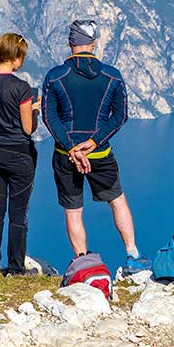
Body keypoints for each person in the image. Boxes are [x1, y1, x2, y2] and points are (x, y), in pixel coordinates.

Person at [41, 19, 148, 273]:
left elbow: (49, 117)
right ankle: (133, 255)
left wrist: (72, 148)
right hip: (100, 153)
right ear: (94, 44)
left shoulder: (55, 77)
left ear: (70, 45)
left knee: (73, 210)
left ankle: (82, 262)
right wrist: (93, 142)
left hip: (65, 156)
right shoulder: (112, 76)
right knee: (118, 201)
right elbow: (119, 116)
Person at [0, 32, 38, 276]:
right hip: (18, 156)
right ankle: (15, 268)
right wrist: (34, 110)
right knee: (18, 215)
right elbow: (28, 128)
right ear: (16, 57)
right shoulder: (21, 88)